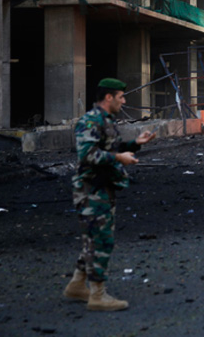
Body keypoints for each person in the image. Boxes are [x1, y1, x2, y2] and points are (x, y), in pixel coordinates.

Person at [63, 78, 157, 311]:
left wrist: (135, 144)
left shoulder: (106, 120)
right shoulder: (91, 120)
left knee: (92, 240)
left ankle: (77, 285)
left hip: (103, 188)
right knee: (101, 241)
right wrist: (118, 158)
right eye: (121, 97)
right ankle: (97, 295)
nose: (124, 101)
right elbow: (88, 154)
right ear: (108, 97)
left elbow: (111, 148)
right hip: (91, 190)